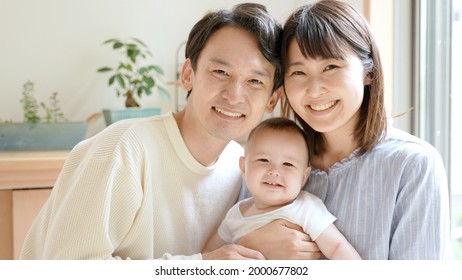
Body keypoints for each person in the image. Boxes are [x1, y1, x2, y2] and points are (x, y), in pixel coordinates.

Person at [20, 3, 285, 260]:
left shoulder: (241, 167)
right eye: (220, 71)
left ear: (272, 99)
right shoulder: (123, 148)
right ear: (188, 75)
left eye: (254, 81)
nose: (234, 95)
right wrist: (201, 266)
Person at [239, 0, 452, 260]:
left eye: (331, 67)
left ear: (368, 72)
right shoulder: (267, 155)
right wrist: (250, 243)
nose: (314, 89)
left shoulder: (413, 165)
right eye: (298, 72)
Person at [203, 117, 362, 259]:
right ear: (243, 168)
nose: (274, 171)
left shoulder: (305, 208)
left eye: (288, 164)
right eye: (263, 160)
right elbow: (207, 255)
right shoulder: (236, 215)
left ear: (303, 177)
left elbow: (337, 247)